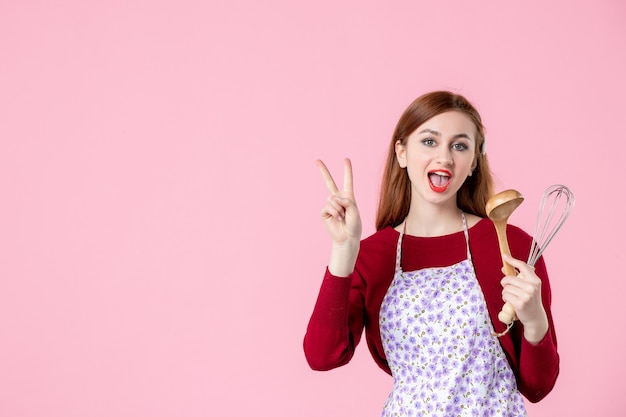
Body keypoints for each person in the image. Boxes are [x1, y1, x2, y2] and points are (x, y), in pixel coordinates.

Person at [303, 91, 559, 416]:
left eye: (460, 145)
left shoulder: (512, 245)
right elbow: (322, 356)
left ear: (473, 164)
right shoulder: (371, 256)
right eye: (429, 141)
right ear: (402, 152)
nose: (445, 158)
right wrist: (343, 250)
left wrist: (535, 320)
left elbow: (538, 387)